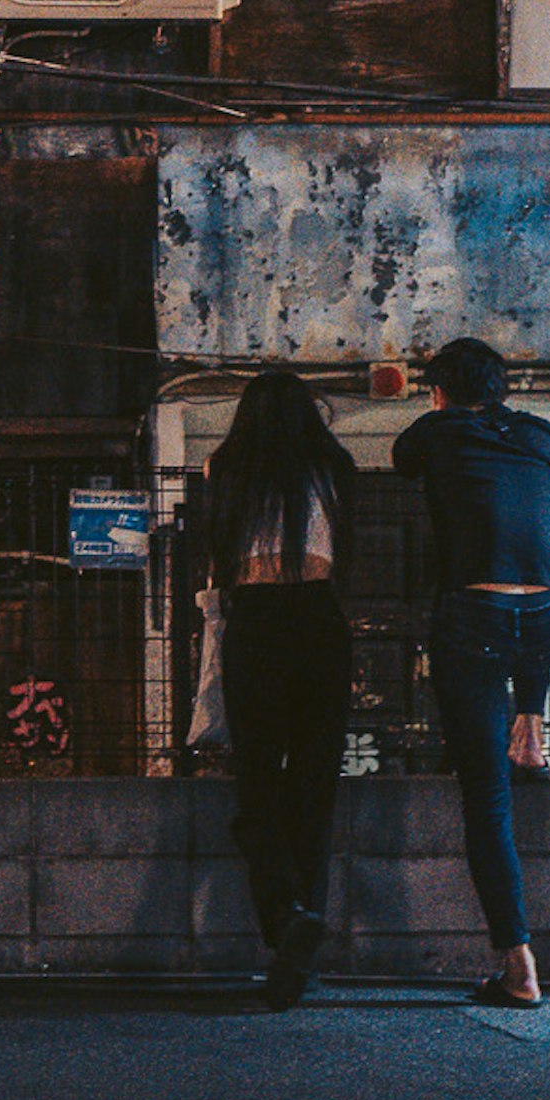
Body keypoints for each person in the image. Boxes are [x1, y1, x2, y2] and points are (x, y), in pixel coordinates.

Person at [390, 337, 550, 1009]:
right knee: (530, 622)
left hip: (474, 618)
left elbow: (402, 463)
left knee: (487, 798)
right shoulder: (547, 434)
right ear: (503, 388)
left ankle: (519, 964)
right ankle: (533, 728)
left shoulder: (433, 428)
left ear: (439, 391)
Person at [199, 365, 358, 1012]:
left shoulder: (226, 469)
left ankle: (286, 913)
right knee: (315, 786)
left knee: (257, 780)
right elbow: (346, 557)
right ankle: (304, 941)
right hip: (321, 619)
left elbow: (217, 558)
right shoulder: (335, 469)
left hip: (257, 622)